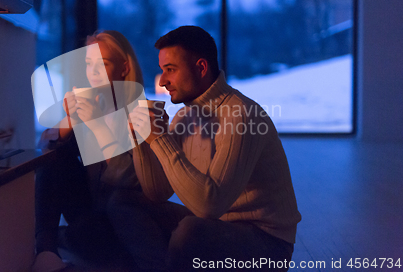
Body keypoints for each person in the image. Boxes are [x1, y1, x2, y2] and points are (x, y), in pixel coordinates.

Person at [110, 26, 302, 271]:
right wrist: (140, 139)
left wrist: (160, 139)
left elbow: (209, 206)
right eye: (162, 70)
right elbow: (157, 193)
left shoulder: (241, 114)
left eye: (170, 70)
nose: (163, 81)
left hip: (268, 243)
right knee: (124, 200)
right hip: (215, 226)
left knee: (190, 231)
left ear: (201, 68)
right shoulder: (185, 116)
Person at [33, 30, 147, 272]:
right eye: (88, 64)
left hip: (122, 218)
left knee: (92, 232)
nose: (93, 72)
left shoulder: (141, 114)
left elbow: (126, 180)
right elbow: (43, 149)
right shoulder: (93, 103)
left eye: (103, 64)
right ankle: (46, 250)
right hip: (89, 212)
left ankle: (67, 240)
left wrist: (97, 126)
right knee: (54, 156)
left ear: (124, 68)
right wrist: (69, 120)